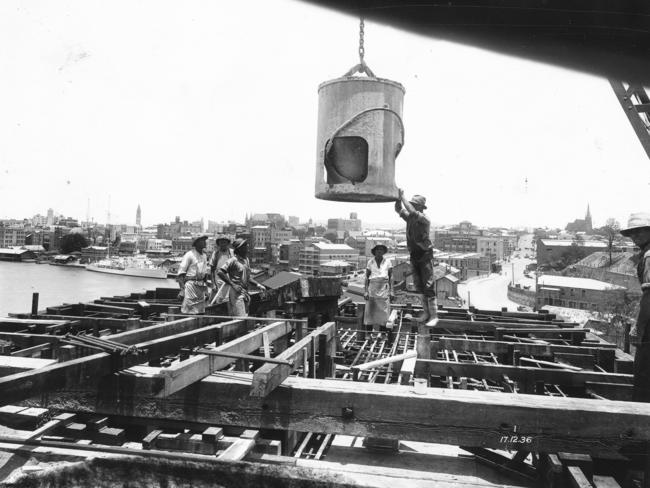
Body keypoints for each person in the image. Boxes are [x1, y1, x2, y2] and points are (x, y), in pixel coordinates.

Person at [394, 189, 437, 324]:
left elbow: (411, 210)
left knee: (428, 284)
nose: (411, 206)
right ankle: (426, 314)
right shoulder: (411, 219)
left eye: (414, 204)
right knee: (419, 285)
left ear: (419, 207)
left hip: (425, 254)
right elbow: (398, 209)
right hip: (414, 254)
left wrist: (403, 196)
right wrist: (397, 198)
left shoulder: (424, 219)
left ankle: (434, 316)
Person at [620, 212, 650, 402]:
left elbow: (649, 297)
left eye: (641, 231)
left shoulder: (648, 256)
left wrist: (639, 329)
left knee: (643, 380)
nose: (635, 236)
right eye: (632, 232)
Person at [217, 238, 267, 317]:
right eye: (244, 247)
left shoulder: (246, 260)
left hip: (245, 292)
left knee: (245, 317)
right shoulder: (233, 260)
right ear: (239, 249)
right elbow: (220, 272)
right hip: (236, 292)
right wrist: (233, 284)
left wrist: (258, 285)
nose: (247, 249)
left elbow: (248, 277)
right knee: (241, 318)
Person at [364, 244, 393, 338]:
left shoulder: (388, 262)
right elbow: (366, 277)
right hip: (372, 287)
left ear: (383, 252)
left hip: (383, 287)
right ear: (375, 251)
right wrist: (365, 291)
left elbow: (391, 276)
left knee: (383, 312)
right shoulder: (370, 262)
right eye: (377, 249)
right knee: (370, 310)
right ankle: (368, 333)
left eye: (381, 249)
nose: (379, 251)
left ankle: (383, 333)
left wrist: (392, 290)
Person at [177, 235, 210, 314]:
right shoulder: (189, 255)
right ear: (197, 243)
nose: (204, 242)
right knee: (188, 309)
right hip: (191, 284)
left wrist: (206, 290)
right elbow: (181, 273)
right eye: (202, 240)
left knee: (200, 310)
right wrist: (182, 290)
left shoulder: (204, 256)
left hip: (201, 285)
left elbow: (205, 275)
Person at [209, 235, 234, 305]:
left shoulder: (232, 253)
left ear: (228, 243)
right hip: (219, 282)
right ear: (218, 244)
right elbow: (212, 270)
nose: (223, 244)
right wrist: (213, 284)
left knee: (230, 301)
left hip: (230, 281)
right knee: (218, 301)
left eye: (224, 242)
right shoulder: (216, 254)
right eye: (221, 243)